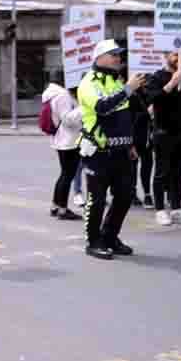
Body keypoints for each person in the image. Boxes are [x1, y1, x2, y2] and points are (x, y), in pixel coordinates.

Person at [78, 40, 146, 260]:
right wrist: (128, 89)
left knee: (125, 196)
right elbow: (103, 107)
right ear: (99, 58)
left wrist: (130, 144)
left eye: (119, 55)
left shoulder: (117, 81)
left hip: (121, 151)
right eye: (113, 54)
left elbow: (124, 117)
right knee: (97, 200)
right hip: (98, 151)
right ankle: (93, 241)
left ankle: (110, 237)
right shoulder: (88, 82)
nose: (118, 58)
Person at [146, 52, 181, 226]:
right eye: (174, 54)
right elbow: (152, 99)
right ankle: (160, 210)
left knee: (179, 173)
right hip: (164, 132)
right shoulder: (156, 78)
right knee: (161, 173)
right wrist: (171, 84)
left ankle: (176, 209)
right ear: (166, 56)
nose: (179, 58)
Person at [42, 78, 83, 221]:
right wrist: (83, 108)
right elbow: (68, 120)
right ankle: (63, 210)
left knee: (64, 174)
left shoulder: (54, 94)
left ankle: (55, 206)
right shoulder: (63, 96)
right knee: (67, 175)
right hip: (68, 140)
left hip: (62, 139)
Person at [129, 87, 154, 209]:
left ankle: (147, 194)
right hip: (134, 137)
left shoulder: (150, 94)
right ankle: (132, 192)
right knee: (132, 166)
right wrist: (147, 113)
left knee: (147, 166)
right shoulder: (131, 96)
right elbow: (131, 118)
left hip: (147, 138)